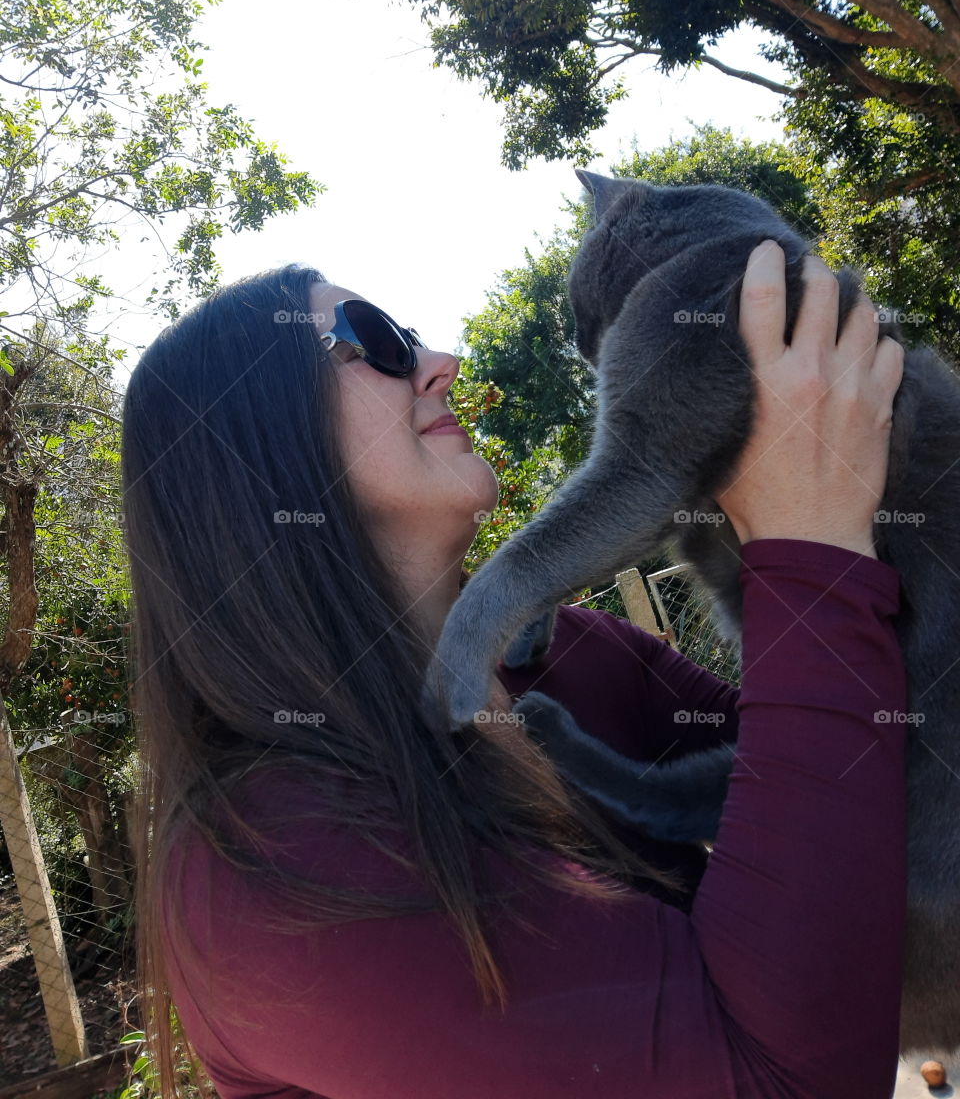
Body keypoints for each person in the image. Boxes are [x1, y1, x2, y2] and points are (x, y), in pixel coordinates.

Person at [122, 239, 907, 1099]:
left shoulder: (574, 656)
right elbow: (786, 1082)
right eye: (374, 339)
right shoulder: (260, 869)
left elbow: (865, 779)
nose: (442, 365)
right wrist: (810, 546)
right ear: (252, 447)